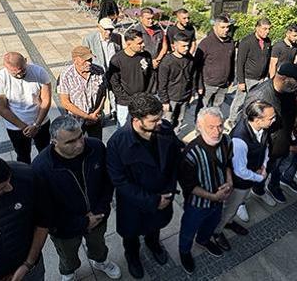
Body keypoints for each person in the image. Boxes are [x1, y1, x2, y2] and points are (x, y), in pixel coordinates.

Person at [32, 116, 121, 281]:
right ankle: (68, 273)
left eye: (80, 136)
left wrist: (100, 211)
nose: (79, 144)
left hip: (98, 215)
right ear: (54, 142)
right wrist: (83, 222)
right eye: (70, 142)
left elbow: (107, 181)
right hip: (65, 228)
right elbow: (45, 210)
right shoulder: (40, 168)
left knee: (98, 244)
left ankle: (100, 262)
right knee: (68, 255)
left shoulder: (96, 147)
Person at [106, 93, 180, 279]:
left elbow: (174, 161)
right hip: (134, 203)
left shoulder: (164, 129)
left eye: (160, 118)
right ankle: (132, 256)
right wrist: (153, 200)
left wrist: (168, 193)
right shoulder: (117, 142)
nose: (160, 123)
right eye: (154, 120)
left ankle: (153, 244)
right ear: (137, 120)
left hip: (162, 195)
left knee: (155, 227)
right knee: (131, 235)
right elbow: (119, 181)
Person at [212, 101, 274, 251]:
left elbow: (265, 147)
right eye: (271, 118)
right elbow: (240, 170)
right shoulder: (240, 139)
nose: (274, 120)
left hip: (251, 177)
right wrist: (260, 177)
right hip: (239, 182)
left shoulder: (261, 128)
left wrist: (264, 165)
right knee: (229, 208)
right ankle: (217, 231)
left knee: (233, 207)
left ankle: (229, 221)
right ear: (258, 120)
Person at [177, 108, 233, 274]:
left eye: (220, 126)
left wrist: (229, 182)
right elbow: (189, 186)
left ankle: (203, 240)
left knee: (212, 223)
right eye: (211, 127)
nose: (217, 132)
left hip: (219, 200)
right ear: (199, 127)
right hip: (197, 204)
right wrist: (213, 196)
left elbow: (228, 164)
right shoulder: (190, 153)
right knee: (188, 229)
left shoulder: (227, 141)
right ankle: (184, 252)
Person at [244, 63, 297, 205]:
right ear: (284, 79)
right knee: (249, 175)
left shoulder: (289, 92)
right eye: (296, 83)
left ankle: (259, 190)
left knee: (266, 172)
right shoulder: (260, 95)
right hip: (261, 148)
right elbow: (248, 126)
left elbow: (289, 118)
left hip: (279, 146)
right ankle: (240, 203)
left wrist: (292, 139)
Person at [0, 52, 52, 164]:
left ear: (26, 60)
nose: (19, 75)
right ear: (6, 67)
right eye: (14, 73)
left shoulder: (39, 72)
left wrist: (36, 125)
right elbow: (2, 109)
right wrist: (24, 127)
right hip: (16, 127)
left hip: (41, 122)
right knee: (23, 156)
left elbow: (46, 100)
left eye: (22, 70)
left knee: (46, 153)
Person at [227, 18, 272, 127]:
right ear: (257, 28)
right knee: (239, 100)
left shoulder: (268, 42)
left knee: (254, 101)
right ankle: (232, 119)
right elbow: (240, 62)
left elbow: (267, 59)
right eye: (264, 29)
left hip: (260, 78)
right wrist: (241, 81)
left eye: (268, 29)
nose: (267, 32)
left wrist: (266, 76)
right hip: (247, 78)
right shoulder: (246, 41)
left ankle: (247, 119)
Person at [107, 29, 154, 125]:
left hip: (142, 100)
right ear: (129, 43)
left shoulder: (146, 55)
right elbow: (114, 83)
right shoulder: (117, 60)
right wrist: (128, 99)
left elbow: (151, 76)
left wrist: (146, 95)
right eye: (139, 43)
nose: (143, 45)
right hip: (124, 103)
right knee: (124, 127)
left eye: (143, 41)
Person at [58, 46, 107, 140]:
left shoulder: (99, 71)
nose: (89, 62)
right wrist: (86, 116)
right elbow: (65, 102)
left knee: (96, 145)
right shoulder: (66, 75)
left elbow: (103, 94)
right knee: (77, 147)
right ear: (75, 60)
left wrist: (96, 113)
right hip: (75, 121)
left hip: (95, 119)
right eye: (85, 60)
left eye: (90, 59)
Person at [83, 17, 121, 119]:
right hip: (98, 73)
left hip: (113, 72)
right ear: (99, 27)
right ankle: (100, 116)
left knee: (114, 93)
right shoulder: (89, 39)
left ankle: (115, 112)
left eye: (111, 30)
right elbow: (85, 57)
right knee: (99, 96)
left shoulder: (117, 38)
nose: (108, 32)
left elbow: (119, 54)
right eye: (105, 29)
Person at [158, 32, 197, 133]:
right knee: (167, 121)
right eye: (183, 46)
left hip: (184, 97)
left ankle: (175, 138)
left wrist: (192, 93)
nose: (186, 48)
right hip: (171, 98)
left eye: (188, 45)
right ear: (174, 46)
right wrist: (165, 101)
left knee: (179, 120)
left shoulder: (190, 59)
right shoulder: (167, 62)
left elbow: (192, 77)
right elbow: (162, 84)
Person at [195, 15, 235, 109]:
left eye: (227, 27)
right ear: (215, 27)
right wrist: (199, 85)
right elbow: (197, 66)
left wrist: (231, 78)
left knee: (216, 110)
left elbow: (232, 61)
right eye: (222, 27)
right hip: (208, 85)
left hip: (223, 85)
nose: (226, 30)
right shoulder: (205, 43)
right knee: (202, 110)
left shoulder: (230, 42)